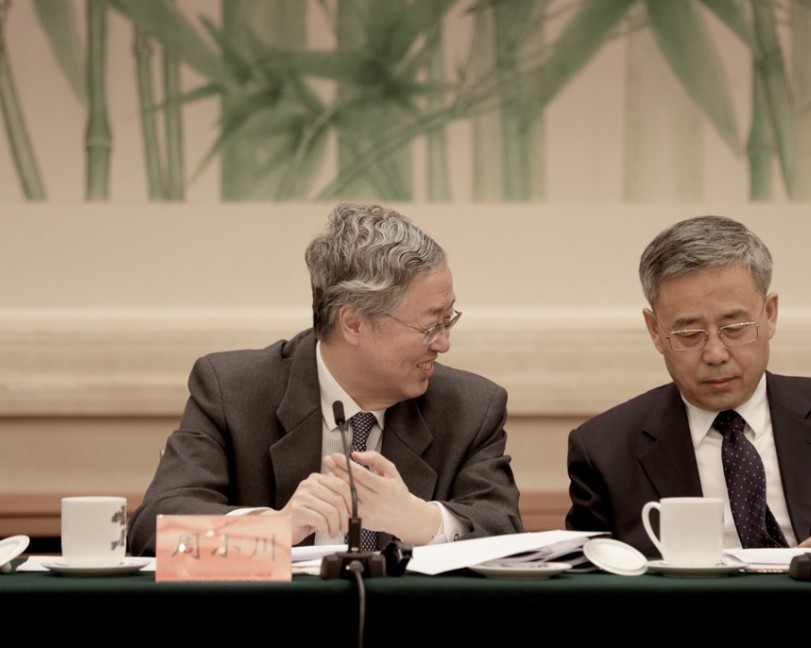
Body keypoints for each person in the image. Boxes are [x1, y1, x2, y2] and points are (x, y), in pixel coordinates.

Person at [128, 202, 523, 556]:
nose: (444, 343)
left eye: (448, 320)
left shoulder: (470, 407)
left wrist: (421, 521)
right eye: (429, 325)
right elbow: (154, 531)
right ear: (353, 323)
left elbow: (505, 531)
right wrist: (275, 529)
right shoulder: (231, 391)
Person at [565, 215, 811, 557]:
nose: (715, 353)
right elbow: (590, 594)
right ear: (655, 332)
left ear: (770, 315)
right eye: (689, 333)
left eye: (735, 328)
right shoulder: (604, 452)